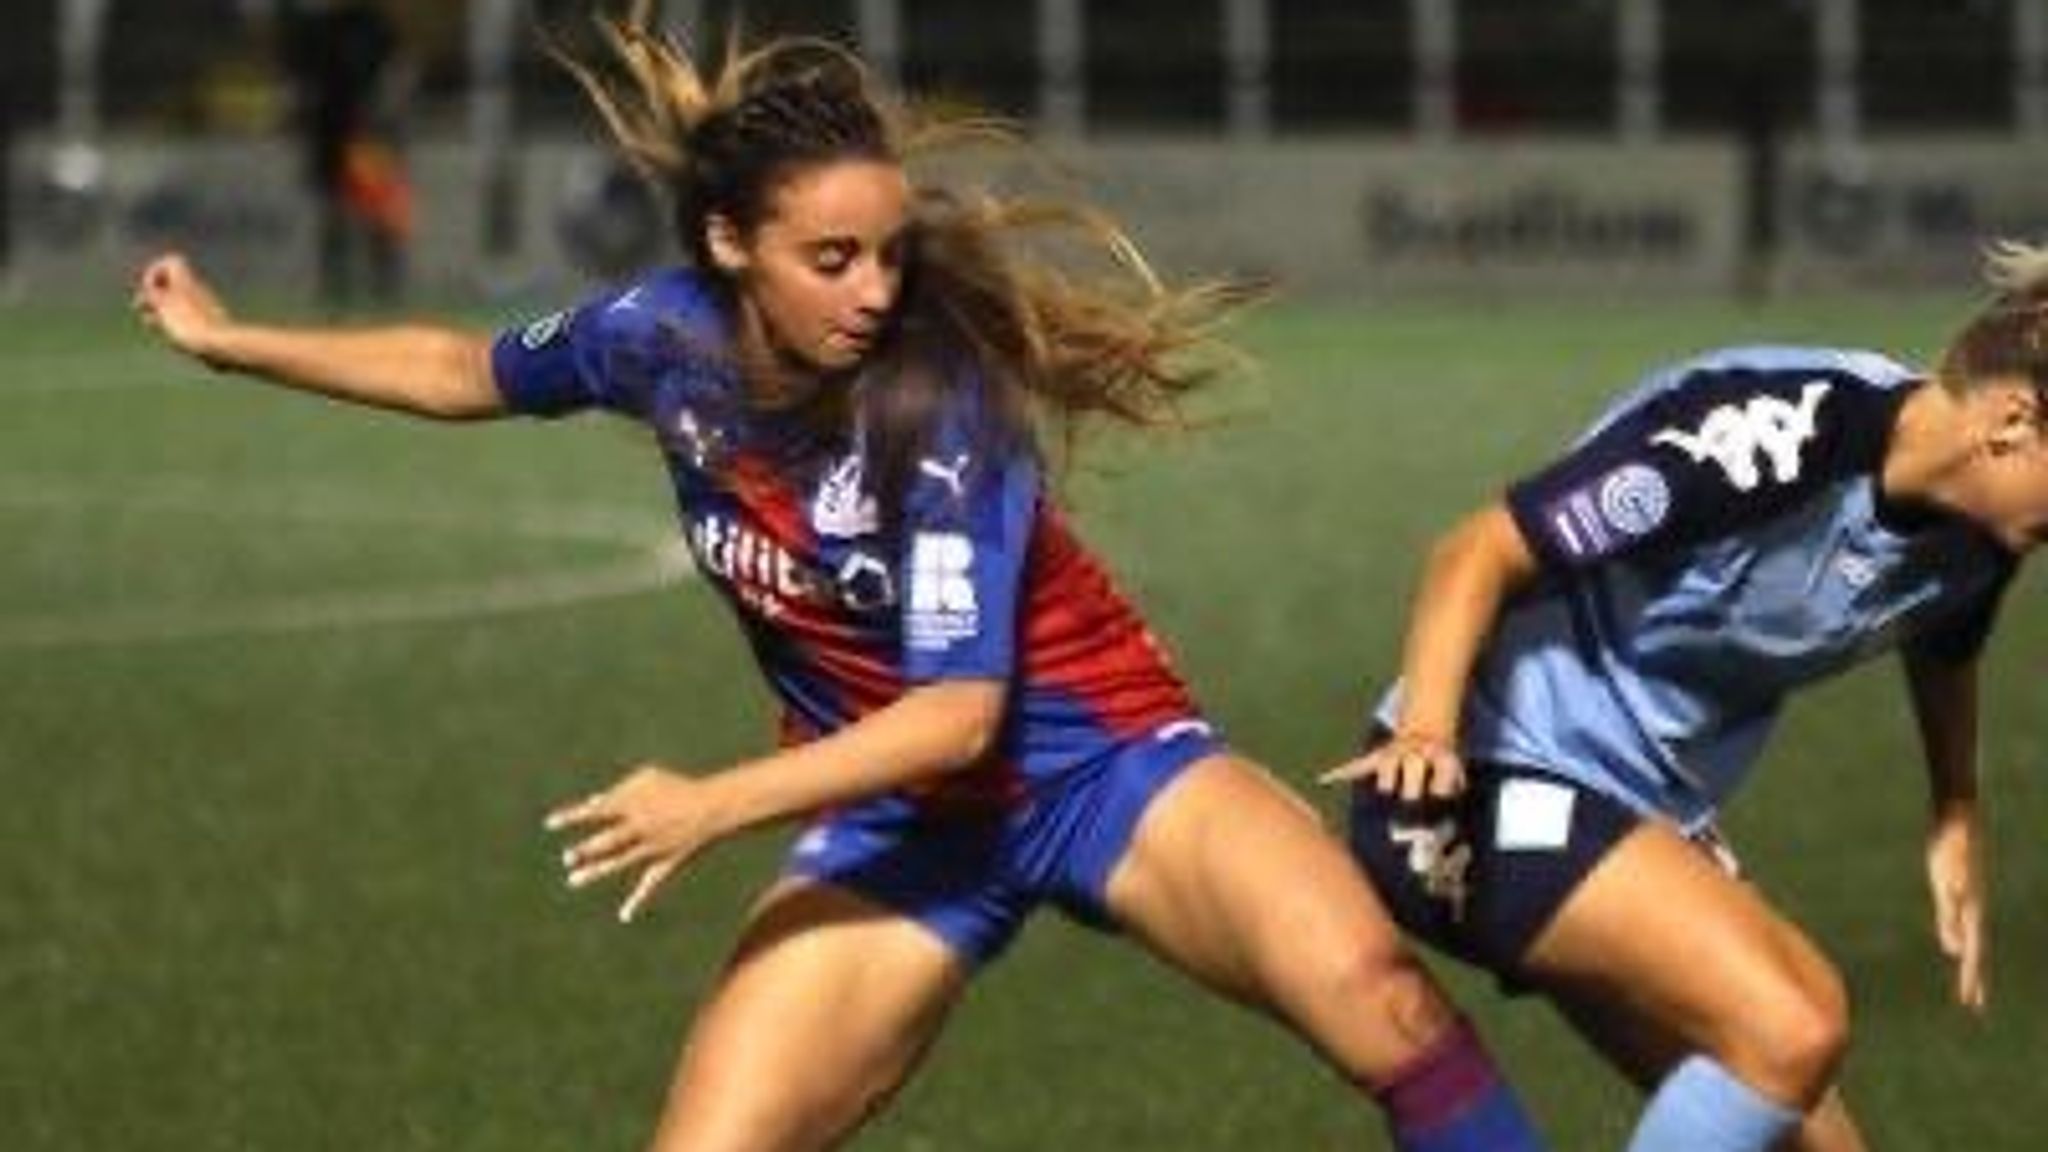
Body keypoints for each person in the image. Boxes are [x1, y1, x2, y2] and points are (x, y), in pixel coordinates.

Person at [134, 14, 1548, 1152]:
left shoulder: (935, 406)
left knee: (1385, 1009)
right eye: (833, 259)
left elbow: (959, 721)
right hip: (893, 816)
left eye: (889, 254)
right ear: (727, 247)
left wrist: (712, 803)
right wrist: (234, 341)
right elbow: (462, 369)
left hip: (1099, 762)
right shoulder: (651, 337)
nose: (875, 291)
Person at [1332, 241, 2048, 1152]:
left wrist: (1956, 807)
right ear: (2014, 423)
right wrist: (1430, 732)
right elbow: (1478, 548)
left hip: (1637, 814)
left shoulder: (1986, 536)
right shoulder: (1769, 434)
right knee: (1796, 1022)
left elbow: (1947, 637)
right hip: (1478, 782)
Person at [279, 0, 413, 305]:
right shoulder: (311, 26)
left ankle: (385, 286)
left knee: (376, 209)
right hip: (329, 133)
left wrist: (384, 109)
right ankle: (334, 285)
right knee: (333, 212)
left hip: (369, 134)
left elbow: (398, 70)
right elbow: (297, 82)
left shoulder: (373, 22)